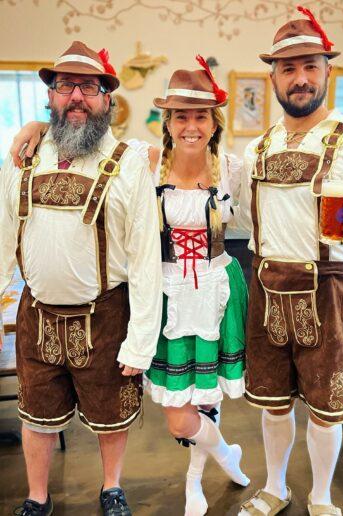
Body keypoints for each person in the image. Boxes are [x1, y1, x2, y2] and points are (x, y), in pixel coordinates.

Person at [8, 56, 249, 516]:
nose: (191, 126)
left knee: (206, 398)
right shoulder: (142, 160)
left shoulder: (233, 169)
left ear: (214, 122)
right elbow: (84, 133)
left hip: (216, 292)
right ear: (167, 121)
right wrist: (37, 126)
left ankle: (194, 483)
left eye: (201, 116)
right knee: (180, 413)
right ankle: (226, 454)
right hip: (168, 292)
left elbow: (260, 222)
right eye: (180, 115)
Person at [235, 6, 343, 516]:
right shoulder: (258, 149)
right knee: (272, 403)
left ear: (328, 70)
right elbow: (243, 216)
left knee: (327, 409)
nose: (300, 78)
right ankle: (275, 487)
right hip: (267, 285)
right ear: (273, 76)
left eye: (310, 66)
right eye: (288, 68)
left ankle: (321, 497)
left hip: (330, 290)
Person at [0, 41, 162, 516]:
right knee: (37, 416)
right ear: (49, 96)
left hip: (106, 316)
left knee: (111, 415)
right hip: (37, 315)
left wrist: (141, 340)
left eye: (88, 87)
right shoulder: (23, 157)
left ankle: (112, 487)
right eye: (65, 85)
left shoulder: (129, 162)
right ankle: (37, 496)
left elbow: (146, 257)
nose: (76, 96)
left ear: (107, 100)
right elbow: (3, 235)